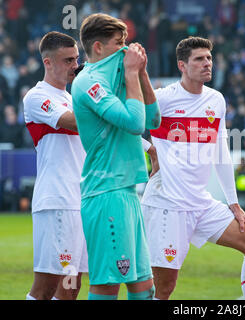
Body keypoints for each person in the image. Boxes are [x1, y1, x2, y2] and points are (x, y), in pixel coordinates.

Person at [141, 36, 245, 300]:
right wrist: (150, 149)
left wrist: (233, 203)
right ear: (182, 65)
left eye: (209, 58)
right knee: (164, 288)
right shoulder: (163, 99)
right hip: (168, 204)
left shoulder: (216, 100)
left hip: (201, 203)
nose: (207, 63)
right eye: (199, 59)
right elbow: (125, 125)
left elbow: (221, 152)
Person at [71, 13, 160, 300]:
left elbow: (154, 120)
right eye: (118, 43)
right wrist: (132, 74)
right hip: (105, 193)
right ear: (98, 47)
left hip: (126, 192)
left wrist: (142, 73)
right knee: (108, 285)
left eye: (127, 43)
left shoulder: (117, 75)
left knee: (144, 287)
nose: (126, 50)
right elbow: (135, 124)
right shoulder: (89, 82)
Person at [22, 31, 87, 300]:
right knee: (46, 286)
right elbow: (73, 122)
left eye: (76, 59)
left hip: (81, 201)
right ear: (47, 62)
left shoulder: (75, 99)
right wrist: (98, 97)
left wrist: (149, 148)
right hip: (57, 201)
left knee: (71, 288)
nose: (75, 66)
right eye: (67, 60)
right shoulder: (36, 97)